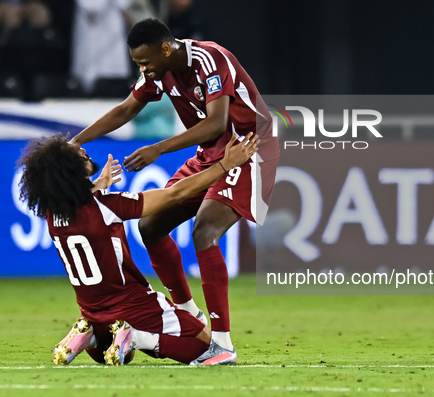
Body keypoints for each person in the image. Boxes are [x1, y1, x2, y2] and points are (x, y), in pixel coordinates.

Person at [69, 18, 279, 365]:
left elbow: (216, 122)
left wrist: (158, 149)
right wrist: (75, 141)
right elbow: (126, 109)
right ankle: (188, 313)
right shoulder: (159, 72)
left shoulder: (210, 59)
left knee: (205, 231)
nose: (143, 69)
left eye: (146, 61)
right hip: (212, 152)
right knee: (149, 226)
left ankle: (222, 345)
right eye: (138, 64)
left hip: (248, 148)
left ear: (166, 48)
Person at [16, 132, 258, 366]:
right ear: (70, 173)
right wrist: (226, 164)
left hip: (93, 311)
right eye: (79, 157)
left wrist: (97, 184)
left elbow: (81, 204)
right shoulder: (106, 206)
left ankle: (89, 335)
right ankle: (136, 336)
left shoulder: (53, 214)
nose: (84, 151)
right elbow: (176, 193)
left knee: (119, 354)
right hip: (134, 305)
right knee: (209, 346)